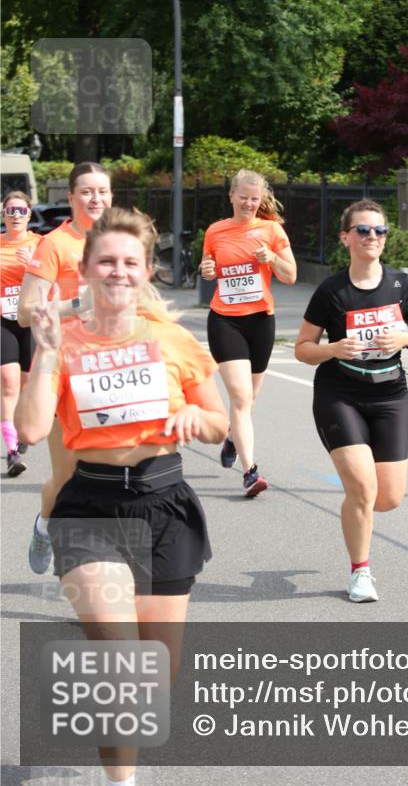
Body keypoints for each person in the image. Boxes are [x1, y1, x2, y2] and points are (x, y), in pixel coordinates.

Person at [15, 206, 228, 786]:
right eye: (105, 260)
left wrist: (192, 416)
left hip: (165, 504)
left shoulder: (173, 340)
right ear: (85, 269)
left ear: (146, 270)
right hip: (92, 508)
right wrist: (50, 354)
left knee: (159, 673)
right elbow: (30, 430)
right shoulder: (64, 341)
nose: (117, 271)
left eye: (129, 262)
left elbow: (218, 423)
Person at [295, 199, 408, 603]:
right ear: (346, 238)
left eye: (379, 231)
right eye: (362, 230)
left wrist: (407, 340)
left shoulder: (401, 286)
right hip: (340, 393)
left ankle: (355, 513)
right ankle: (360, 572)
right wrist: (334, 348)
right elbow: (303, 348)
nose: (372, 236)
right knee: (362, 487)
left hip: (390, 393)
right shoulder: (332, 291)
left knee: (386, 498)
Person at [18, 161, 112, 572]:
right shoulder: (54, 244)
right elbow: (24, 312)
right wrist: (78, 304)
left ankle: (90, 573)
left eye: (103, 192)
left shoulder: (119, 242)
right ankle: (45, 524)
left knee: (109, 473)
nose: (96, 199)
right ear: (72, 197)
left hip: (109, 367)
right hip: (63, 368)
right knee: (68, 477)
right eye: (87, 192)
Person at [200, 169, 297, 496]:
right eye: (243, 197)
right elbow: (208, 268)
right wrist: (207, 269)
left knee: (250, 399)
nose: (248, 204)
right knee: (240, 397)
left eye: (254, 199)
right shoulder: (215, 230)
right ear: (231, 196)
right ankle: (250, 472)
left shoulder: (271, 230)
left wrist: (271, 257)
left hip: (261, 321)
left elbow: (290, 276)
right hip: (225, 320)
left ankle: (231, 437)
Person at [0, 191, 40, 476]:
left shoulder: (40, 244)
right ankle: (12, 451)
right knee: (8, 381)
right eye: (10, 210)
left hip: (31, 319)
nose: (15, 215)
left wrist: (32, 265)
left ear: (29, 213)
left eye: (21, 211)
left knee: (27, 382)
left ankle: (22, 428)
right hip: (3, 319)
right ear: (3, 214)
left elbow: (55, 285)